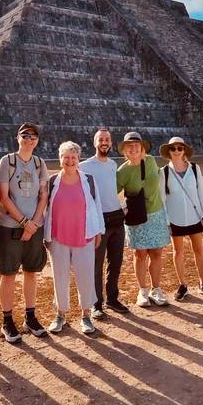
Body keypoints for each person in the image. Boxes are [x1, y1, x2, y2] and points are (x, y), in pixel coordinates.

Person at [0, 122, 49, 342]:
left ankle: (30, 315)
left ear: (37, 141)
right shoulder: (7, 161)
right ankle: (7, 320)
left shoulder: (39, 163)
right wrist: (24, 222)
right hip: (10, 226)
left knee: (31, 272)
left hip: (34, 226)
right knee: (8, 274)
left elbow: (43, 195)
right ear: (17, 138)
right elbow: (3, 197)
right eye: (25, 135)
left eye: (33, 136)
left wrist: (33, 223)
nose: (29, 139)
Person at [44, 141, 105, 335]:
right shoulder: (52, 181)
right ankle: (60, 314)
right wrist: (46, 235)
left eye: (73, 157)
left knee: (85, 276)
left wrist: (98, 231)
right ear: (60, 159)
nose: (70, 161)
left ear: (79, 159)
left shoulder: (89, 180)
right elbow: (45, 210)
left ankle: (86, 315)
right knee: (59, 277)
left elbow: (97, 207)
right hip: (58, 236)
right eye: (66, 157)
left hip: (84, 234)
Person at [159, 136, 203, 300]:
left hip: (195, 216)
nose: (176, 151)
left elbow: (202, 193)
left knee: (198, 250)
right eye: (173, 148)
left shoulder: (194, 169)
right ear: (169, 151)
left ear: (184, 150)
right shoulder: (164, 172)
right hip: (175, 218)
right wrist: (166, 221)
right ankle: (183, 285)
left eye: (180, 148)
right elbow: (162, 199)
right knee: (178, 252)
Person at [116, 131, 170, 308]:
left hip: (156, 214)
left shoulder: (151, 161)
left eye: (136, 146)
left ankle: (156, 289)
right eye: (129, 147)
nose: (133, 149)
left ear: (142, 149)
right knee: (140, 254)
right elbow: (111, 194)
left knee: (156, 253)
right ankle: (143, 291)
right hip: (137, 217)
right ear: (124, 150)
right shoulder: (122, 172)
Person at [79, 127, 129, 317]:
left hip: (116, 217)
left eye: (107, 139)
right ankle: (96, 303)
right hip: (98, 221)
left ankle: (113, 299)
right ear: (95, 143)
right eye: (101, 140)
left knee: (115, 262)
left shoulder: (113, 165)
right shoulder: (84, 166)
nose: (104, 143)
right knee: (96, 263)